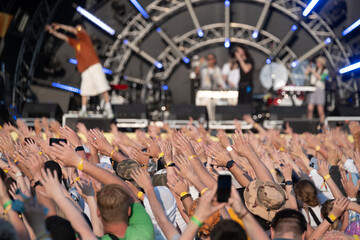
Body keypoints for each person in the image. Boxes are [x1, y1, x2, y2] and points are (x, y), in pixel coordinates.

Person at [45, 23, 114, 118]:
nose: (77, 29)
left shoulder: (85, 37)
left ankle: (108, 108)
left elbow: (72, 29)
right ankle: (84, 110)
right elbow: (64, 37)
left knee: (103, 87)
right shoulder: (75, 42)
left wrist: (60, 26)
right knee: (84, 90)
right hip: (85, 69)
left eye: (79, 28)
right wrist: (53, 32)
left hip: (94, 65)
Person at [305, 56, 329, 124]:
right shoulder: (314, 68)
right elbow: (306, 73)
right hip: (312, 89)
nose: (317, 63)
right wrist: (309, 66)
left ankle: (322, 125)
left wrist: (313, 71)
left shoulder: (325, 70)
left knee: (320, 110)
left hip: (320, 90)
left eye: (318, 62)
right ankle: (309, 124)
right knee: (310, 109)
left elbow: (320, 78)